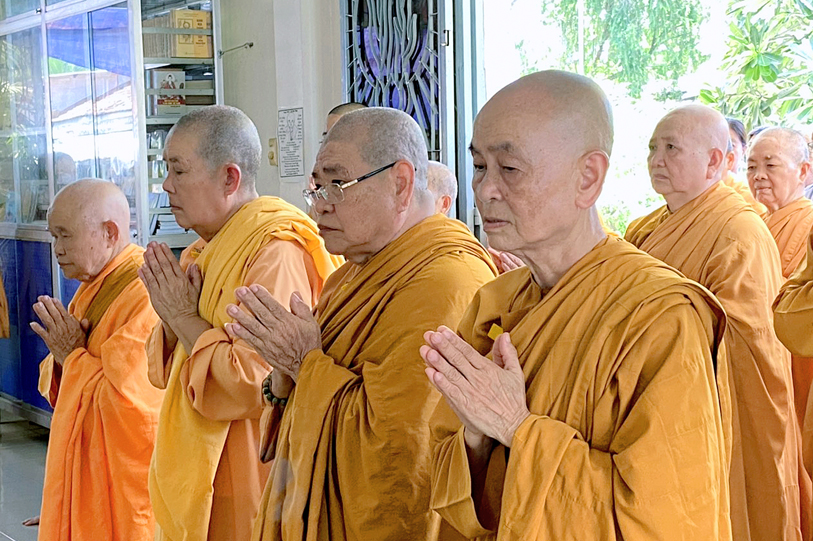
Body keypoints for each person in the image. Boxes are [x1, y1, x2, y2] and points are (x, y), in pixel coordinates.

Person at [424, 71, 730, 540]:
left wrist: (515, 426)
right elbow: (451, 488)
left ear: (587, 178)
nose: (484, 190)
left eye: (510, 169)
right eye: (480, 165)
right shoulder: (493, 303)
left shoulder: (659, 317)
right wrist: (475, 435)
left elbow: (666, 521)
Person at [226, 107, 497, 540]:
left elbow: (402, 454)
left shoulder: (449, 283)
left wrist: (304, 364)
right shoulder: (349, 275)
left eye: (337, 184)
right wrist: (285, 374)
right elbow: (300, 402)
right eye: (317, 187)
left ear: (401, 183)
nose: (320, 204)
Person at [140, 105, 340, 541]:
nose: (167, 185)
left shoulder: (276, 251)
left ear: (229, 179)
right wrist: (174, 322)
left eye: (179, 170)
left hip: (249, 467)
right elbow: (163, 373)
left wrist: (183, 317)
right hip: (199, 467)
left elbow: (259, 381)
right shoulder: (202, 251)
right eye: (166, 170)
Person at [626, 104, 800, 541]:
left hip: (716, 407)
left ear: (714, 161)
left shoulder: (741, 232)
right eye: (652, 148)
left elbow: (748, 341)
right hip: (652, 401)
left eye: (671, 148)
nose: (656, 159)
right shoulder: (643, 229)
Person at [29, 179, 163, 541]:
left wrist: (72, 355)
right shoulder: (96, 285)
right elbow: (61, 381)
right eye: (54, 236)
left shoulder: (146, 294)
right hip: (92, 470)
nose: (57, 249)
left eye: (65, 235)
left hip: (126, 482)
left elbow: (132, 410)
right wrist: (67, 358)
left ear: (109, 233)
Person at [746, 127, 813, 279]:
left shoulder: (810, 225)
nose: (758, 176)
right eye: (751, 167)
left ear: (802, 171)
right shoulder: (754, 221)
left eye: (771, 165)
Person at [723, 117, 766, 213]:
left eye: (731, 145)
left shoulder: (751, 192)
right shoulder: (700, 189)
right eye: (717, 144)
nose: (723, 151)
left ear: (744, 150)